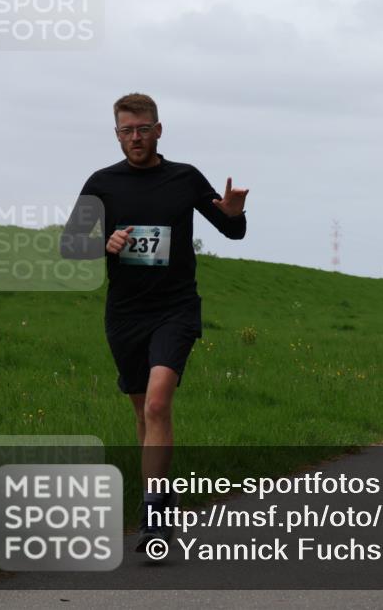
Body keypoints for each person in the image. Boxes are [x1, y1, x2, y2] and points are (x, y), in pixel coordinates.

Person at [61, 93, 249, 551]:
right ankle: (160, 492)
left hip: (176, 308)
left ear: (159, 130)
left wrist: (235, 209)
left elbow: (231, 230)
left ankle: (155, 513)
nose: (136, 137)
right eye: (127, 130)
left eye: (143, 128)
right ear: (117, 134)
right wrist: (105, 243)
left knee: (158, 404)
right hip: (125, 314)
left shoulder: (184, 178)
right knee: (144, 412)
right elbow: (70, 244)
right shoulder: (102, 183)